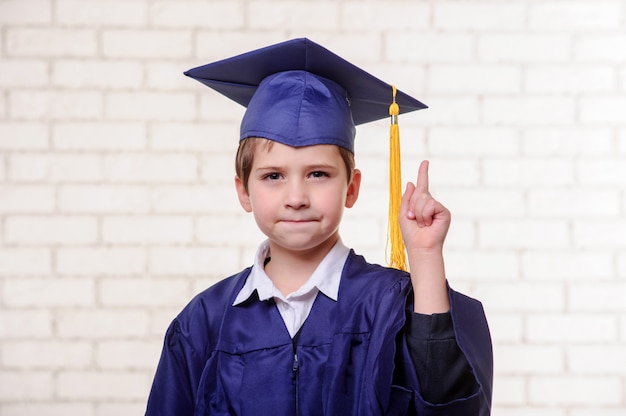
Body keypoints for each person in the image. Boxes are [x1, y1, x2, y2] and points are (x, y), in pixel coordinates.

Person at [145, 38, 493, 416]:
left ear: (352, 188)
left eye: (318, 174)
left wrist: (425, 258)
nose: (296, 196)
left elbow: (447, 405)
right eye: (273, 175)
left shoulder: (390, 306)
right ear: (243, 192)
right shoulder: (205, 322)